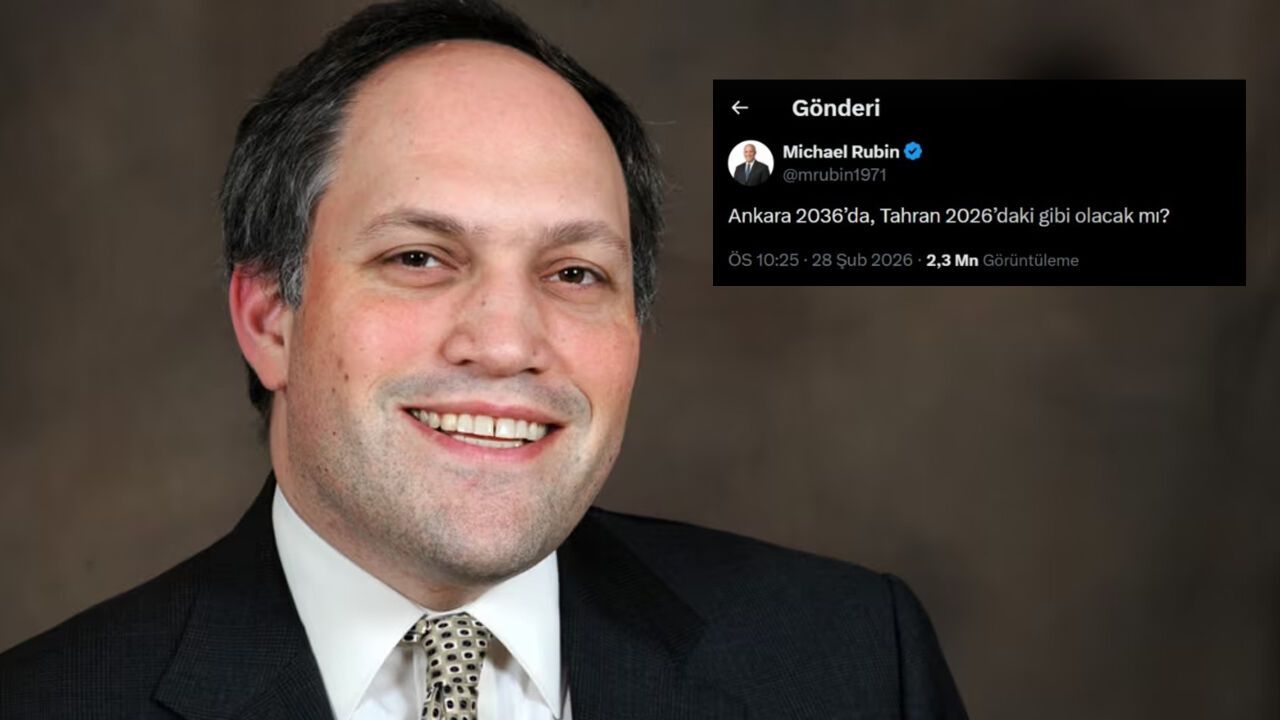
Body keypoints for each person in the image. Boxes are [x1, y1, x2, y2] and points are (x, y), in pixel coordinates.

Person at [0, 1, 966, 718]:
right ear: (269, 319)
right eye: (419, 259)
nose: (507, 343)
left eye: (576, 272)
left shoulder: (853, 664)